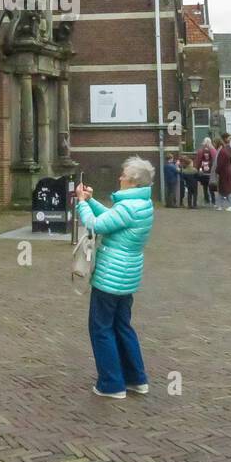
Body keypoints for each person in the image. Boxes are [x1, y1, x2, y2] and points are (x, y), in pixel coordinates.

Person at [75, 157, 156, 399]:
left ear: (131, 181)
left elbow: (95, 225)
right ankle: (136, 378)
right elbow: (112, 218)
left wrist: (81, 203)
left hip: (111, 276)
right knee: (122, 326)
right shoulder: (142, 205)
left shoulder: (128, 208)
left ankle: (111, 384)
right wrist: (91, 200)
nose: (119, 178)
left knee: (101, 328)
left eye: (123, 175)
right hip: (127, 275)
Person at [215, 132, 231, 211]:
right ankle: (219, 205)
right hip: (226, 171)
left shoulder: (222, 151)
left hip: (224, 172)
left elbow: (220, 163)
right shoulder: (225, 150)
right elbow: (230, 157)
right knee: (222, 189)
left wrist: (216, 171)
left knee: (226, 189)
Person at [194, 136, 216, 208]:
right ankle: (213, 201)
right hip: (211, 172)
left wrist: (197, 169)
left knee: (205, 187)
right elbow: (216, 161)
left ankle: (207, 200)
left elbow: (198, 161)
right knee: (211, 186)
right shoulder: (213, 150)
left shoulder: (200, 151)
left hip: (203, 172)